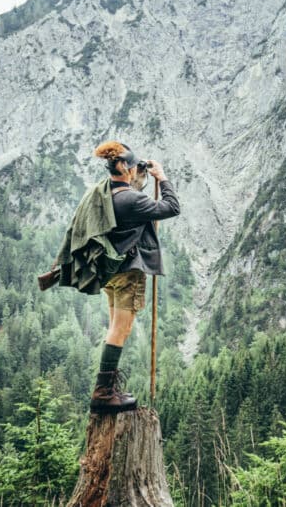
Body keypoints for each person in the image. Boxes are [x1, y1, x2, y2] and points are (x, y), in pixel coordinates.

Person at [89, 140, 180, 413]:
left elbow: (131, 193)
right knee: (121, 329)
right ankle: (104, 392)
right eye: (134, 166)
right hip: (129, 273)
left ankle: (107, 388)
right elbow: (171, 207)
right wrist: (161, 177)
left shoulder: (106, 193)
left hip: (109, 271)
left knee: (114, 326)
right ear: (126, 168)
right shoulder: (132, 200)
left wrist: (139, 174)